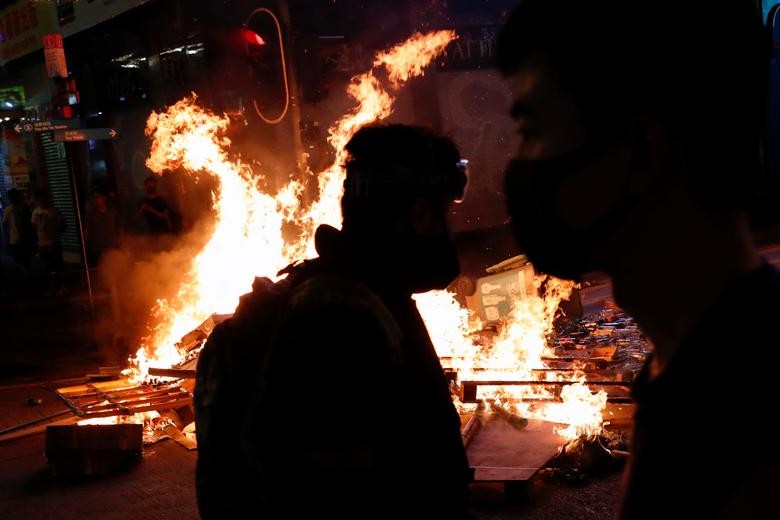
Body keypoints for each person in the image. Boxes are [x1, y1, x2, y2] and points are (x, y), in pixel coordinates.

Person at [498, 1, 778, 518]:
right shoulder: (696, 375)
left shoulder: (749, 430)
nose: (518, 168)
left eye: (533, 131)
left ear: (642, 149)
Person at [195, 124, 471, 518]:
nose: (448, 229)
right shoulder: (342, 322)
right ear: (422, 214)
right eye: (446, 212)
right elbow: (343, 498)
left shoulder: (357, 297)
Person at [31, 189, 65, 294]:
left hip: (54, 243)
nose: (43, 201)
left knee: (58, 265)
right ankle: (53, 286)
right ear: (37, 200)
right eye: (40, 199)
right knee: (48, 267)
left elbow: (63, 224)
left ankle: (62, 286)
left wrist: (57, 234)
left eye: (44, 198)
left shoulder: (54, 211)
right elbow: (33, 227)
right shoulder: (35, 212)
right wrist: (36, 242)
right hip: (42, 244)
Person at [84, 188, 119, 266]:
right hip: (97, 249)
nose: (96, 199)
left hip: (111, 248)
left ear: (104, 198)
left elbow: (118, 228)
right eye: (94, 197)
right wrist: (85, 248)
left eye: (98, 196)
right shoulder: (90, 214)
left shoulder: (113, 211)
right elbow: (86, 232)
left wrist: (120, 244)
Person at [2, 189, 31, 271]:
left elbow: (4, 223)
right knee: (22, 259)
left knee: (23, 259)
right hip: (17, 238)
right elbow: (4, 223)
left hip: (18, 238)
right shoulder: (12, 209)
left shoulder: (22, 208)